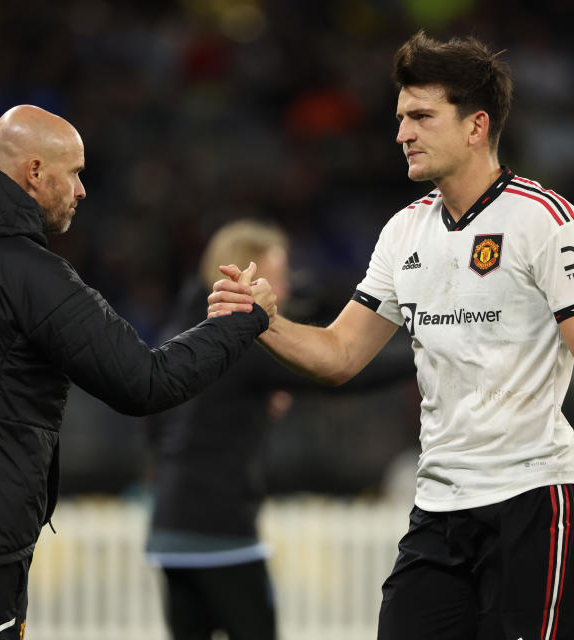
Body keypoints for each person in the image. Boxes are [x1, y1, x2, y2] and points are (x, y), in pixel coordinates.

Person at [210, 32, 574, 639]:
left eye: (420, 116)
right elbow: (339, 355)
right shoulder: (403, 231)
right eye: (399, 118)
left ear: (476, 127)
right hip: (440, 510)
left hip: (535, 500)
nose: (402, 133)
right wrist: (265, 321)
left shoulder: (549, 222)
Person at [0, 104, 276, 640]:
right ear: (35, 172)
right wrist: (241, 322)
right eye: (75, 172)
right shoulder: (33, 273)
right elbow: (144, 382)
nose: (83, 189)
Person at [146, 219, 413, 640]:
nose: (286, 290)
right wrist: (423, 350)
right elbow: (340, 371)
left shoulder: (180, 327)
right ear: (245, 275)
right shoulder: (239, 336)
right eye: (280, 277)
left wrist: (243, 406)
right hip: (221, 527)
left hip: (168, 529)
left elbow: (157, 422)